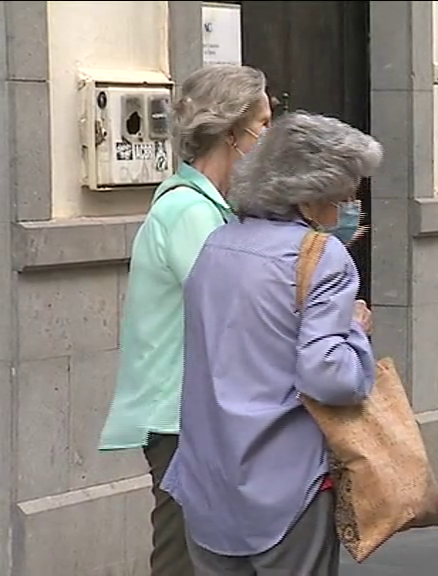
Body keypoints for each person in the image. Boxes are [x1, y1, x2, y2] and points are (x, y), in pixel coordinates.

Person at [161, 111, 380, 575]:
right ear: (309, 196)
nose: (348, 208)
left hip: (207, 477)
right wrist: (356, 332)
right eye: (342, 196)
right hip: (285, 479)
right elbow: (330, 376)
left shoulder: (218, 244)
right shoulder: (322, 257)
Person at [97, 64, 272, 576]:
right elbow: (232, 310)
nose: (270, 137)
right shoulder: (188, 212)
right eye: (263, 124)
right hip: (184, 418)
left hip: (198, 414)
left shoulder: (213, 208)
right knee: (185, 556)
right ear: (232, 132)